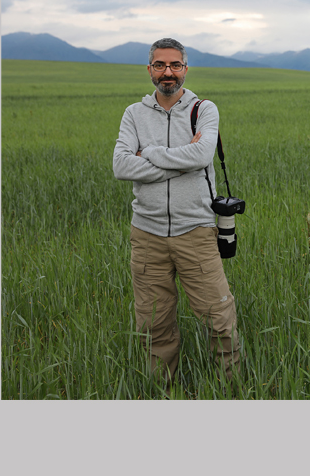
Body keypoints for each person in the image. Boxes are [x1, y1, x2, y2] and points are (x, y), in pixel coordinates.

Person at [113, 37, 242, 391]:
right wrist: (177, 159)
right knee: (154, 324)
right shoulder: (133, 114)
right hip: (147, 235)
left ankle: (231, 389)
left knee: (219, 319)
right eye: (159, 65)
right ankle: (162, 391)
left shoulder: (204, 109)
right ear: (150, 70)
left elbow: (201, 157)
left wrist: (148, 154)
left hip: (196, 232)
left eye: (174, 65)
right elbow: (121, 166)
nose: (167, 72)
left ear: (185, 69)